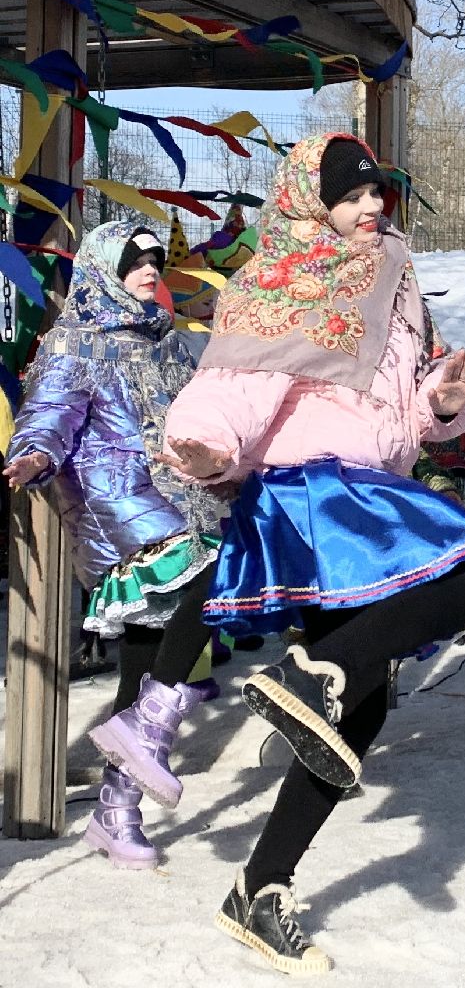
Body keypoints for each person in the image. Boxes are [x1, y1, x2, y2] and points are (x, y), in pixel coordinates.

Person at [162, 133, 465, 974]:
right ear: (312, 201)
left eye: (376, 192)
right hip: (318, 493)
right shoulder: (290, 273)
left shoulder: (392, 272)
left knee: (362, 710)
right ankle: (312, 674)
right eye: (351, 196)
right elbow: (238, 378)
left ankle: (261, 889)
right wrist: (202, 442)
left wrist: (443, 404)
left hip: (369, 483)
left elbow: (403, 401)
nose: (370, 207)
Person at [4, 222, 222, 870]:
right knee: (207, 575)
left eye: (156, 259)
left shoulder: (167, 341)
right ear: (103, 267)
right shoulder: (76, 343)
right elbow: (49, 413)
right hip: (122, 506)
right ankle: (143, 733)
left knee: (151, 660)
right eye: (134, 260)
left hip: (184, 498)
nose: (150, 268)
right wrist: (33, 454)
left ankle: (115, 807)